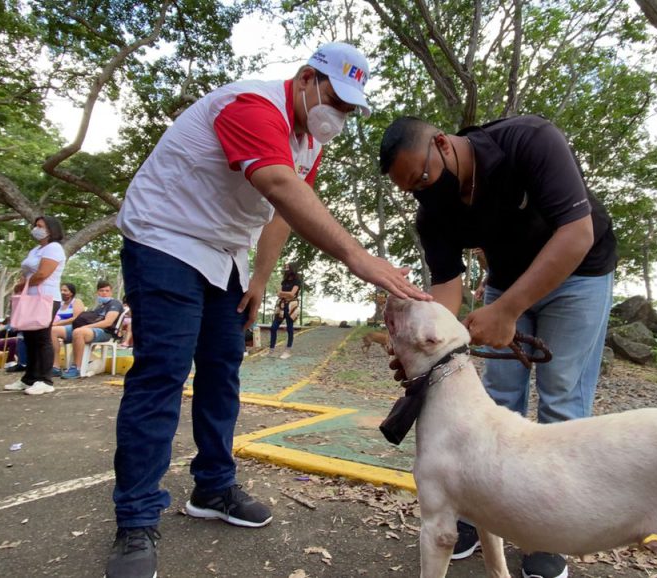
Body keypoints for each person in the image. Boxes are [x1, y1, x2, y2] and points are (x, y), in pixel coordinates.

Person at [108, 42, 428, 578]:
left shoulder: (308, 142)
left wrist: (258, 278)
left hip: (225, 254)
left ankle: (213, 486)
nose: (340, 116)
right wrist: (358, 257)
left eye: (350, 109)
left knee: (222, 372)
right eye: (335, 100)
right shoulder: (253, 106)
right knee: (161, 374)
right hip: (167, 237)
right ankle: (136, 518)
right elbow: (277, 183)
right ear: (306, 78)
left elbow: (282, 209)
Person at [379, 115, 618, 578]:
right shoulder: (434, 211)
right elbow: (446, 286)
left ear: (443, 145)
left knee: (562, 397)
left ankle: (547, 538)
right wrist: (425, 350)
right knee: (494, 402)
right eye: (410, 189)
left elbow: (576, 233)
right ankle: (476, 509)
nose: (421, 193)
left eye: (422, 177)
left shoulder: (529, 140)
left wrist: (507, 311)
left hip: (579, 270)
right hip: (507, 278)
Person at [5, 217, 67, 396]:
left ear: (51, 229)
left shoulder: (54, 248)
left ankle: (45, 379)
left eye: (40, 226)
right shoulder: (36, 249)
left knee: (42, 337)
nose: (36, 229)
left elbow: (42, 274)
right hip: (29, 298)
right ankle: (29, 377)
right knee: (30, 338)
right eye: (35, 226)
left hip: (46, 297)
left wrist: (22, 285)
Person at [54, 280, 123, 379]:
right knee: (53, 331)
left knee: (79, 332)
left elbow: (107, 322)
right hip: (90, 329)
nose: (104, 293)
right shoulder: (99, 306)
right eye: (101, 291)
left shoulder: (114, 303)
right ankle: (55, 367)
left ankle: (76, 368)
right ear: (97, 292)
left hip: (105, 331)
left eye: (107, 291)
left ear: (111, 292)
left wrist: (85, 327)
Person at [49, 282, 86, 370]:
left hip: (72, 327)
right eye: (61, 290)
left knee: (52, 331)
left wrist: (57, 324)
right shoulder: (59, 304)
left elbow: (76, 318)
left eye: (65, 290)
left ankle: (56, 365)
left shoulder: (76, 302)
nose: (62, 292)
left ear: (71, 292)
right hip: (58, 328)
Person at [269, 262, 302, 359]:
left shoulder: (297, 281)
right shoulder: (284, 281)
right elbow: (279, 295)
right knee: (273, 327)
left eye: (288, 267)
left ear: (292, 268)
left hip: (291, 306)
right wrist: (284, 294)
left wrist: (282, 293)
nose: (286, 269)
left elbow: (292, 294)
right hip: (282, 306)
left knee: (289, 328)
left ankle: (288, 350)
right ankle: (271, 350)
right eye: (285, 267)